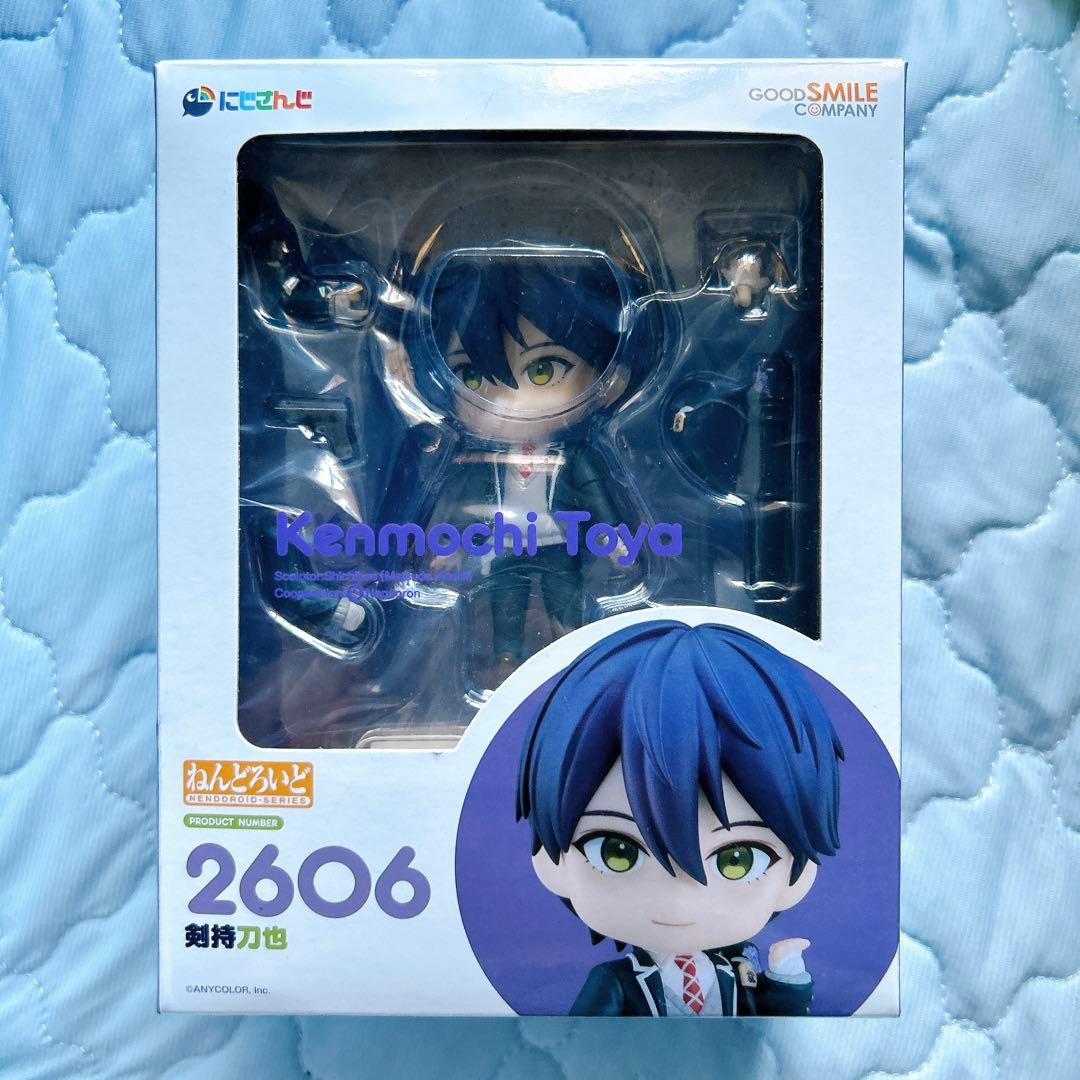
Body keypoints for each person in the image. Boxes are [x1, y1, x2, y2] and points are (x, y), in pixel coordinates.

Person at [516, 619, 843, 1016]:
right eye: (618, 852)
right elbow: (583, 1038)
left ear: (798, 874)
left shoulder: (736, 970)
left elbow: (769, 1017)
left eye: (736, 860)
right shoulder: (614, 982)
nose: (678, 899)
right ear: (551, 861)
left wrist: (786, 974)